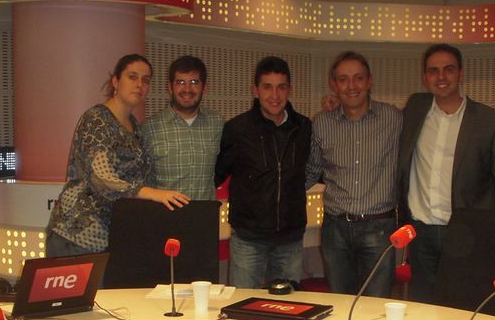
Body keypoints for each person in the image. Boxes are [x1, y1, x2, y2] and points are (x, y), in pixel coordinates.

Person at [397, 43, 495, 302]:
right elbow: (375, 114)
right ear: (425, 77)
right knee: (423, 307)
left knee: (461, 307)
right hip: (421, 232)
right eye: (433, 71)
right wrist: (337, 104)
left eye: (449, 69)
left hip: (467, 234)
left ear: (461, 73)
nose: (441, 77)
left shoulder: (490, 122)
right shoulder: (415, 109)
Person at [46, 53, 188, 257]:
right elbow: (101, 178)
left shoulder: (135, 126)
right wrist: (151, 193)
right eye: (132, 77)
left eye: (145, 80)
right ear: (115, 81)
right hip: (77, 237)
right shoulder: (96, 119)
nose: (139, 85)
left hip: (113, 236)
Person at [307, 51, 402, 298]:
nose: (351, 86)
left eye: (358, 78)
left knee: (376, 305)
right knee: (340, 302)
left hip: (379, 228)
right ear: (334, 84)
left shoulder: (393, 118)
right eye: (343, 79)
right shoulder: (322, 123)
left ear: (369, 81)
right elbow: (312, 170)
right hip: (335, 229)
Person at [215, 56, 313, 288]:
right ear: (255, 90)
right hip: (248, 239)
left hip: (289, 239)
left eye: (281, 87)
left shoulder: (304, 128)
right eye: (267, 87)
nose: (274, 95)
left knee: (288, 305)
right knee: (243, 304)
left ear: (289, 90)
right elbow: (217, 173)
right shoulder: (237, 129)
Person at [142, 55, 223, 200]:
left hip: (205, 212)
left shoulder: (217, 123)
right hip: (162, 214)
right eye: (180, 82)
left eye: (194, 82)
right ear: (170, 87)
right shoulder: (149, 128)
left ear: (204, 87)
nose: (187, 89)